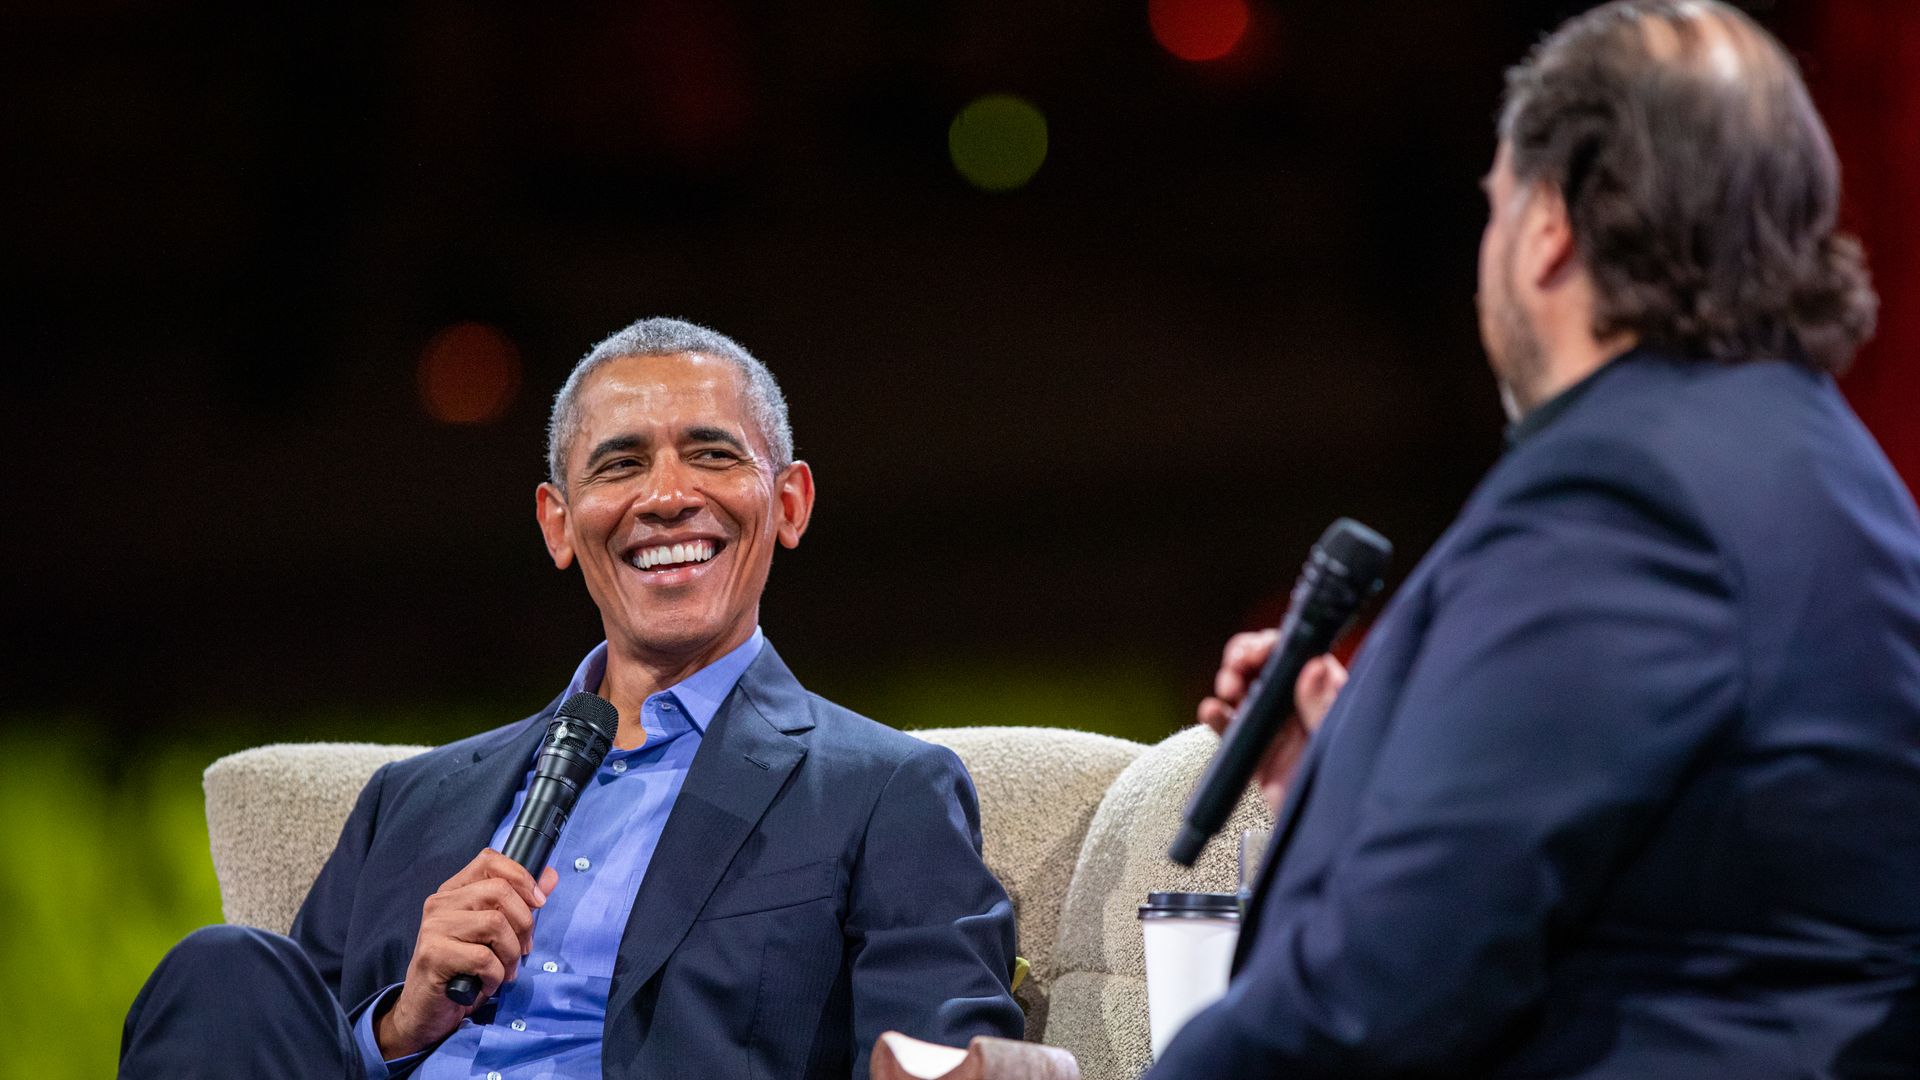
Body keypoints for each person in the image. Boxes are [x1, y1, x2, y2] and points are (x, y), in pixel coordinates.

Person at [1156, 2, 1920, 1076]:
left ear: (1551, 221)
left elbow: (1381, 988)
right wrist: (1367, 772)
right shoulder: (1838, 472)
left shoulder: (1627, 495)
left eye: (1495, 206)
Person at [121, 318, 1024, 1079]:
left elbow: (940, 1057)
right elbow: (285, 1047)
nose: (665, 496)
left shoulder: (883, 792)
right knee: (220, 970)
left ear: (789, 503)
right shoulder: (408, 802)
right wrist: (400, 1027)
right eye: (620, 465)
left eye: (711, 454)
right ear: (558, 524)